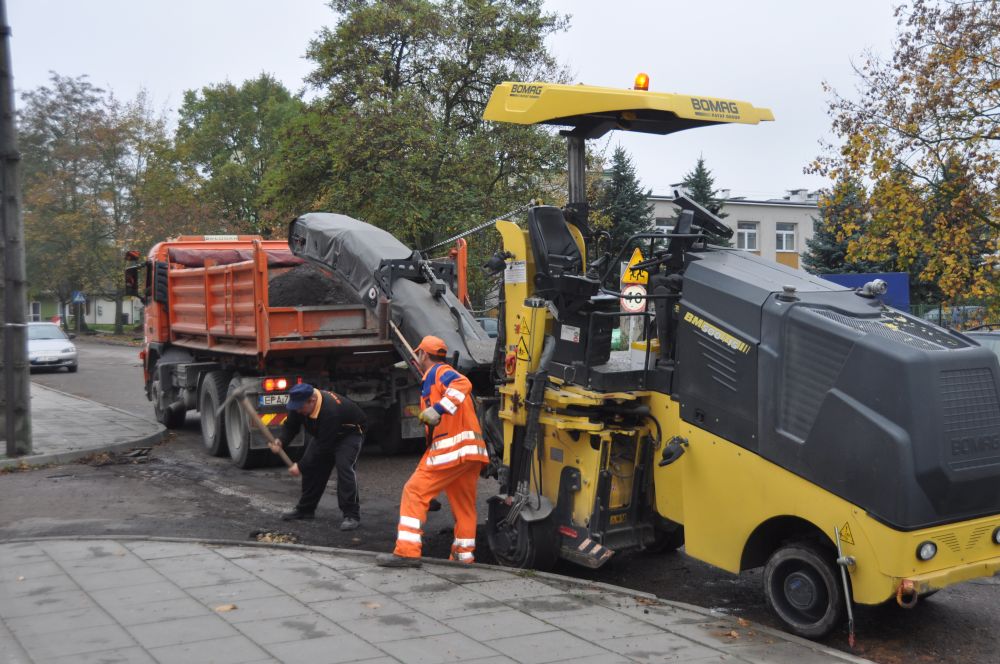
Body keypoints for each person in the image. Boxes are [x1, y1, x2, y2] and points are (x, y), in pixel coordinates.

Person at [376, 335, 488, 567]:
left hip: (451, 450)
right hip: (471, 453)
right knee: (464, 507)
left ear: (423, 355)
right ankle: (462, 557)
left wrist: (437, 409)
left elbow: (462, 384)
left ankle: (407, 552)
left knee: (414, 492)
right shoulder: (438, 375)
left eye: (418, 354)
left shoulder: (439, 373)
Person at [270, 383, 366, 531]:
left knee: (344, 468)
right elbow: (291, 426)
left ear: (312, 401)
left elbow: (323, 448)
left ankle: (351, 515)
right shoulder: (299, 404)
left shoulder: (331, 411)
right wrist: (281, 441)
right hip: (323, 435)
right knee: (312, 469)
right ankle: (305, 510)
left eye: (300, 407)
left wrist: (300, 466)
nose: (298, 410)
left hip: (348, 435)